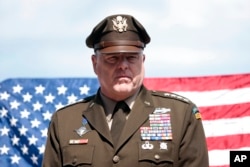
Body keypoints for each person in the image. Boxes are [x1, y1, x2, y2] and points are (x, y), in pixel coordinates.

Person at [42, 14, 209, 167]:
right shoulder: (65, 121)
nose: (123, 65)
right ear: (95, 64)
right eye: (112, 58)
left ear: (142, 61)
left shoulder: (180, 115)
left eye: (131, 57)